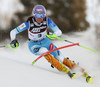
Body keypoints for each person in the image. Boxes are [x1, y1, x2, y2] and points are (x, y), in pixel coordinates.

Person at [10, 5, 78, 78]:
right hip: (33, 45)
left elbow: (59, 32)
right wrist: (13, 40)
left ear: (44, 15)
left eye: (42, 15)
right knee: (44, 51)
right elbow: (13, 32)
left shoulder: (47, 21)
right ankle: (63, 69)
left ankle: (79, 69)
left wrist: (54, 34)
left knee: (60, 57)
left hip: (46, 42)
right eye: (37, 15)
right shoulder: (28, 23)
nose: (39, 18)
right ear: (34, 15)